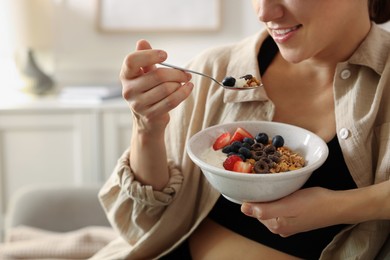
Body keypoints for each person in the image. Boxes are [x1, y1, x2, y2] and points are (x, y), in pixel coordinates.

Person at [92, 0, 390, 259]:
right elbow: (142, 225)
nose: (264, 12)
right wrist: (147, 127)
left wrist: (341, 207)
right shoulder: (217, 70)